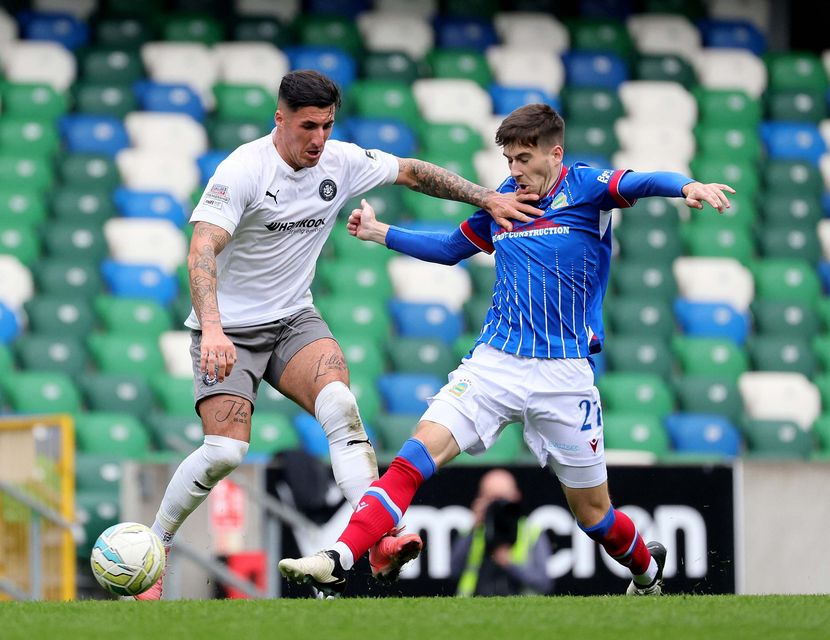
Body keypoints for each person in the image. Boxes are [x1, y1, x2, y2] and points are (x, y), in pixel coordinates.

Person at [278, 103, 735, 597]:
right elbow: (452, 249)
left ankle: (647, 574)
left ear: (554, 153)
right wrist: (378, 233)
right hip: (495, 362)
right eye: (508, 159)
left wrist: (686, 185)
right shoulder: (502, 203)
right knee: (413, 458)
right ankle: (338, 557)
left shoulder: (586, 188)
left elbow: (643, 181)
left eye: (523, 158)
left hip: (564, 374)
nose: (514, 170)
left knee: (595, 517)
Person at [136, 70, 540, 600]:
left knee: (341, 409)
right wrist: (211, 327)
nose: (319, 139)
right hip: (230, 330)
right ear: (279, 120)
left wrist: (486, 198)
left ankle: (381, 538)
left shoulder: (339, 160)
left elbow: (414, 173)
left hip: (294, 319)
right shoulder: (242, 171)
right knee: (224, 455)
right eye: (308, 126)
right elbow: (201, 249)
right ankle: (157, 546)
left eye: (327, 125)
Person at [451, 469, 552, 596]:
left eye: (502, 499)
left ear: (516, 497)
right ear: (481, 499)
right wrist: (474, 526)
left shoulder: (531, 532)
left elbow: (543, 583)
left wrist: (509, 563)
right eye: (491, 499)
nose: (498, 505)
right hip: (475, 608)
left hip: (521, 609)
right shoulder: (476, 531)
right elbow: (454, 570)